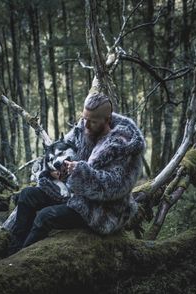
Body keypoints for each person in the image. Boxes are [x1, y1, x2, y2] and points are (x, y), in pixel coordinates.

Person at [8, 92, 145, 255]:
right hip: (73, 194)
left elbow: (114, 187)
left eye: (92, 121)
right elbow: (62, 149)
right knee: (27, 195)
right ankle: (13, 249)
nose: (85, 125)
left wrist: (79, 172)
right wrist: (55, 170)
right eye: (84, 118)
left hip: (102, 210)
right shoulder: (84, 127)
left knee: (45, 217)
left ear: (107, 120)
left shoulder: (124, 145)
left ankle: (19, 261)